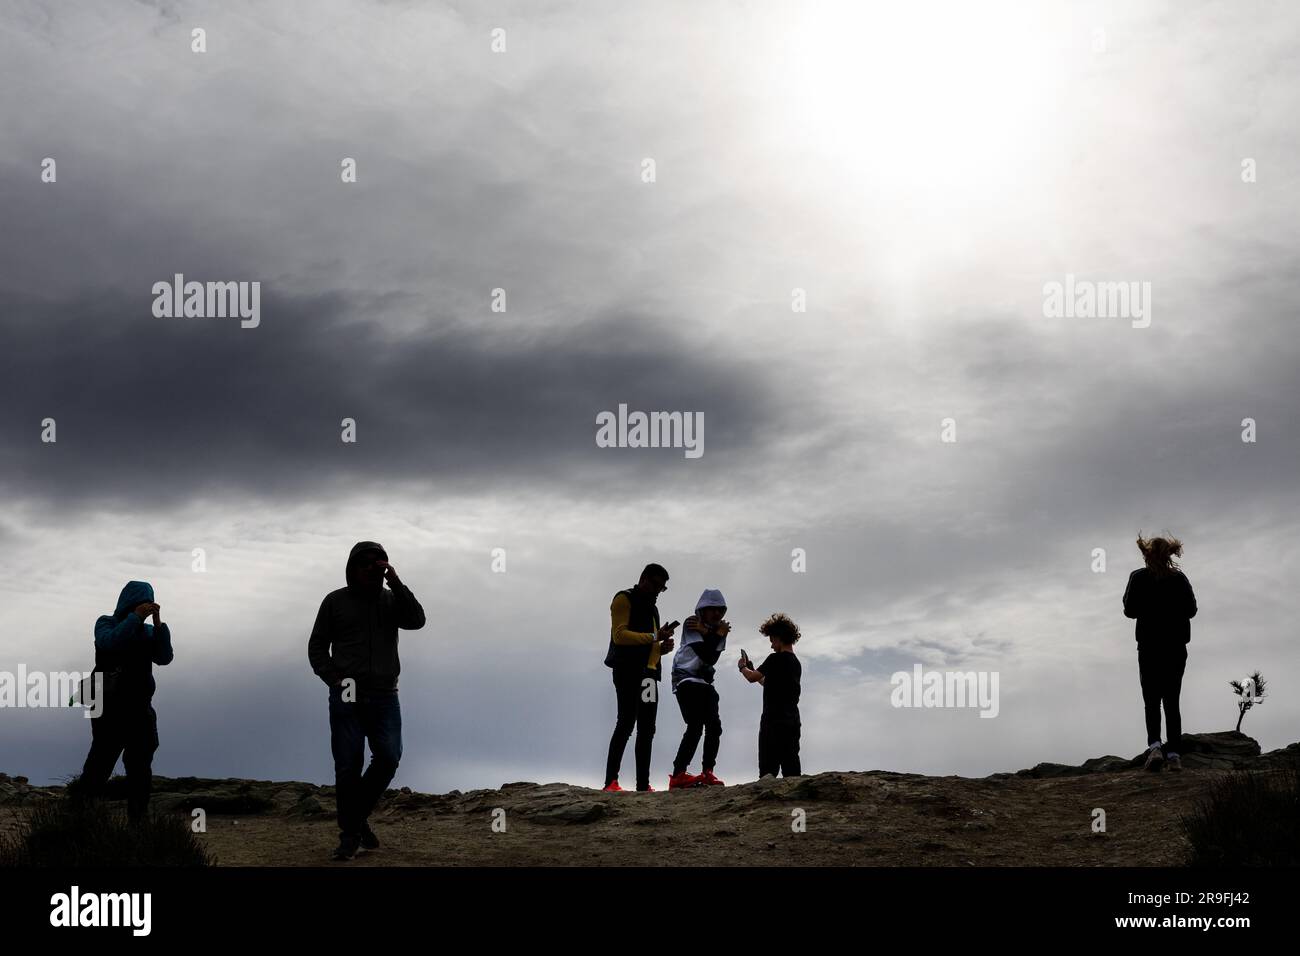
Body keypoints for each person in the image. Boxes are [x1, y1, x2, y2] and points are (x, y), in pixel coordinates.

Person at [309, 541, 426, 860]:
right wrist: (333, 677)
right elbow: (317, 646)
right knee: (348, 764)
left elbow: (417, 620)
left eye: (377, 564)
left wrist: (395, 579)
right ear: (352, 569)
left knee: (389, 757)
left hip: (385, 692)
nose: (371, 570)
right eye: (365, 565)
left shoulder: (391, 600)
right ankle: (350, 836)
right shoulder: (335, 602)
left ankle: (355, 821)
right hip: (346, 691)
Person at [72, 581, 173, 823]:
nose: (143, 608)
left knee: (140, 766)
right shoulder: (106, 623)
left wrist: (159, 626)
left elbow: (165, 657)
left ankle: (139, 824)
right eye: (139, 603)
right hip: (108, 705)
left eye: (147, 604)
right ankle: (77, 816)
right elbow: (109, 643)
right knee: (101, 760)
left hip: (139, 705)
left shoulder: (148, 633)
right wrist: (135, 619)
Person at [1123, 534, 1197, 772]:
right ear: (1169, 554)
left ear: (1147, 554)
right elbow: (1192, 610)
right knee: (1172, 700)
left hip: (1148, 645)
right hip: (1175, 646)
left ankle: (1155, 748)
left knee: (1151, 700)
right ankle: (1174, 754)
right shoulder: (1180, 579)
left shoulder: (1138, 577)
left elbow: (1129, 611)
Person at [603, 563, 678, 792]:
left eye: (662, 588)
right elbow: (620, 635)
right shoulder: (624, 599)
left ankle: (643, 785)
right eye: (656, 585)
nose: (658, 591)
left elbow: (649, 643)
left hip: (650, 674)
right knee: (626, 723)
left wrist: (661, 647)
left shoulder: (652, 608)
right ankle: (610, 783)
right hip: (627, 671)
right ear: (643, 579)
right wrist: (655, 636)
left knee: (647, 728)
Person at [668, 589, 730, 789]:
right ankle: (678, 774)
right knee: (695, 725)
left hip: (704, 683)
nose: (717, 614)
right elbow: (707, 655)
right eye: (712, 609)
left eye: (720, 610)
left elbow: (713, 656)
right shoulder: (691, 622)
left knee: (714, 726)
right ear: (702, 610)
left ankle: (707, 772)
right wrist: (714, 634)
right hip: (685, 679)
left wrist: (710, 633)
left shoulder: (719, 630)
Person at [739, 612, 802, 778]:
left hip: (773, 721)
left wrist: (743, 668)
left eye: (772, 641)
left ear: (779, 638)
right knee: (791, 766)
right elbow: (768, 683)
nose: (772, 646)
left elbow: (752, 678)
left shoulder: (774, 659)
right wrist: (755, 670)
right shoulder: (796, 663)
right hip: (792, 720)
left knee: (768, 770)